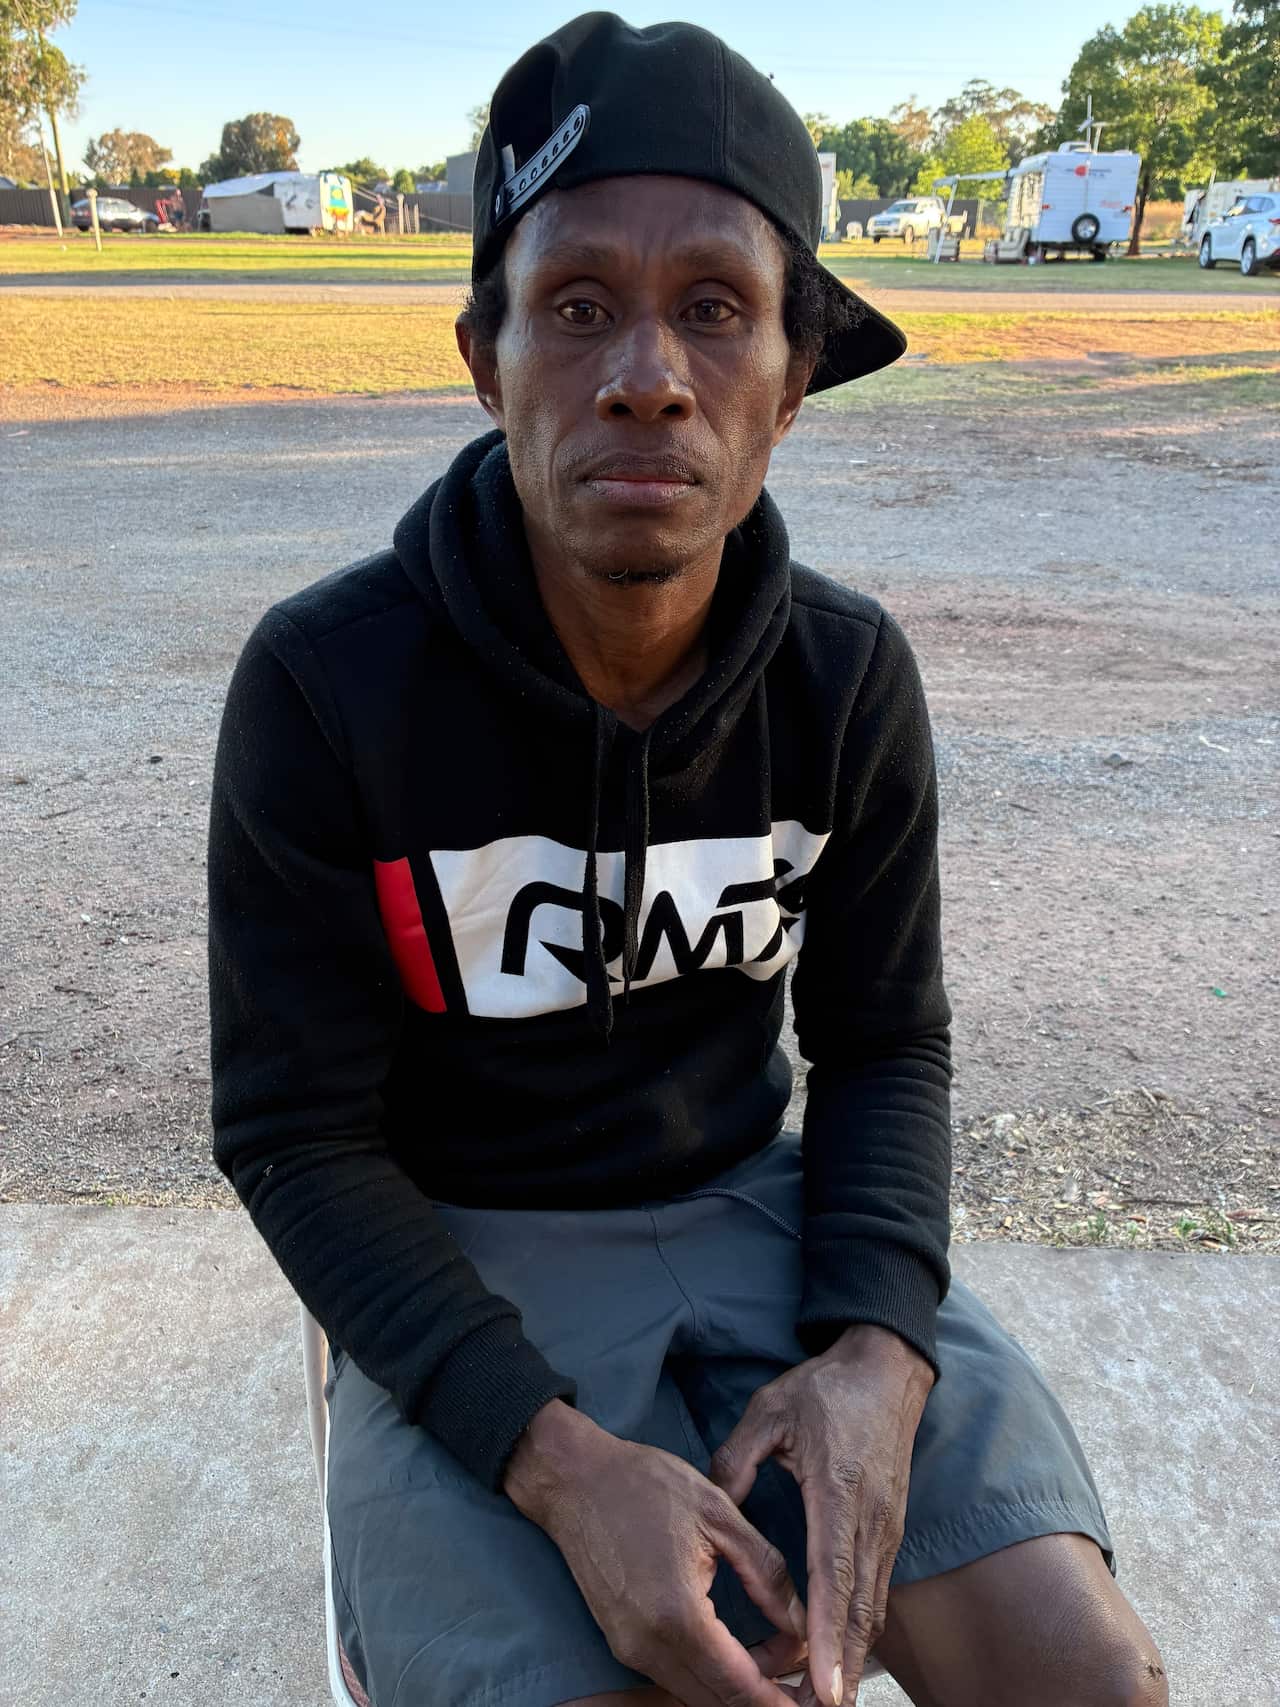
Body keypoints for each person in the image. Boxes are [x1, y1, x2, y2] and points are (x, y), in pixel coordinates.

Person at [207, 15, 1169, 1707]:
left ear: (792, 380)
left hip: (763, 1211)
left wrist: (875, 1349)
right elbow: (296, 1135)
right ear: (485, 355)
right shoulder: (324, 686)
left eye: (715, 309)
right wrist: (553, 1462)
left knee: (1084, 1677)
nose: (644, 370)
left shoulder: (846, 676)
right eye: (575, 305)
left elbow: (884, 1041)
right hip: (463, 1242)